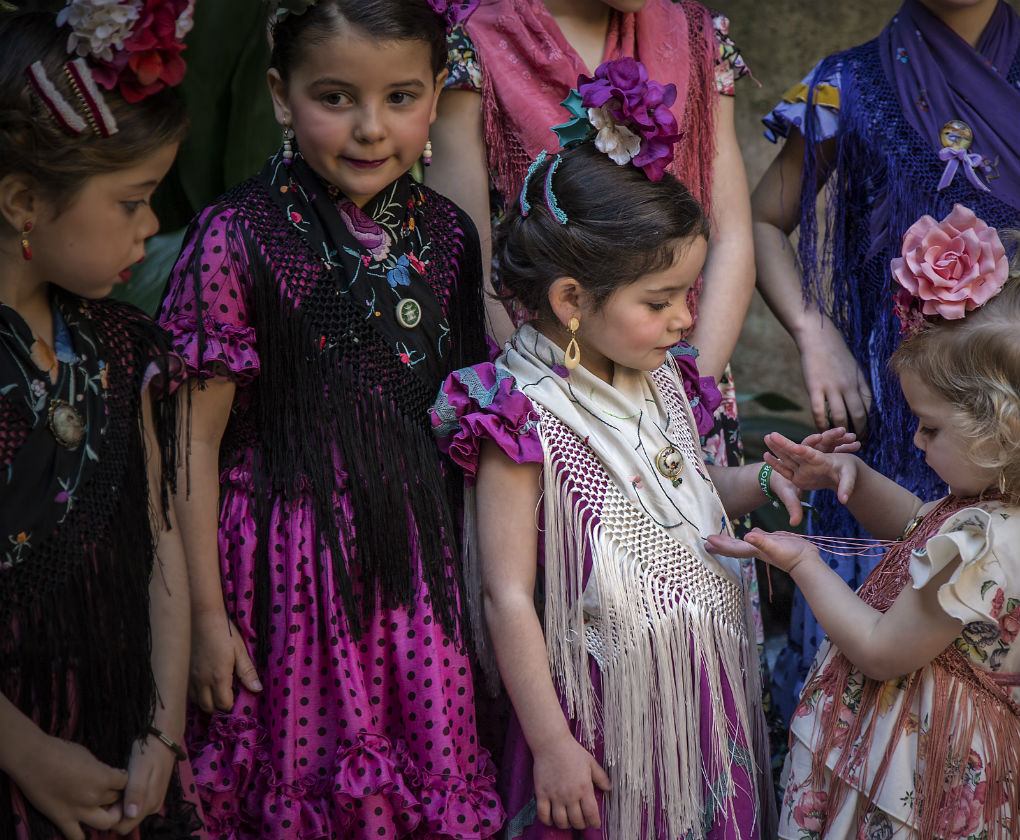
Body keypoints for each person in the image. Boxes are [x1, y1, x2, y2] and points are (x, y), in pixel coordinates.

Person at [430, 63, 823, 838]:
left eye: (688, 292)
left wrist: (766, 479)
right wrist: (551, 745)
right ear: (572, 299)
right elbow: (505, 596)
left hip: (700, 696)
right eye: (661, 300)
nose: (688, 316)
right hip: (600, 725)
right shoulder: (520, 415)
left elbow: (692, 487)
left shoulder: (660, 379)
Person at [157, 1, 504, 837]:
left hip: (415, 586)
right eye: (336, 97)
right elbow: (188, 445)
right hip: (281, 587)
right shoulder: (232, 239)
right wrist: (205, 619)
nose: (370, 129)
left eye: (400, 97)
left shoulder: (451, 240)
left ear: (436, 99)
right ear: (281, 95)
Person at [709, 208, 1019, 838]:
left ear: (1001, 431)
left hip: (909, 767)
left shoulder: (980, 541)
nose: (915, 438)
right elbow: (915, 526)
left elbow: (880, 651)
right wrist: (844, 478)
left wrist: (804, 564)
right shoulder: (987, 512)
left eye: (930, 428)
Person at [752, 0, 1020, 718]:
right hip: (900, 415)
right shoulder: (846, 83)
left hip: (1010, 417)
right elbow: (762, 218)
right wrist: (816, 333)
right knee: (871, 685)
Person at [0, 5, 203, 840]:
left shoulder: (119, 344)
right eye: (132, 201)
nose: (151, 227)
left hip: (124, 745)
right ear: (21, 201)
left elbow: (160, 542)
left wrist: (163, 733)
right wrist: (25, 752)